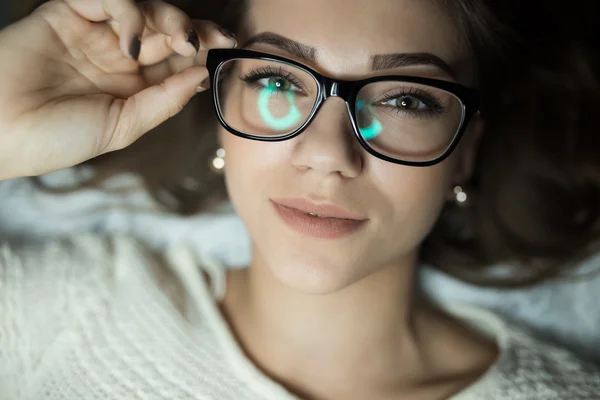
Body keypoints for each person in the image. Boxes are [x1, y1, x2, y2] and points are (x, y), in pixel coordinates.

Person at [0, 1, 599, 399]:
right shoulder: (62, 313)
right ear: (218, 114)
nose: (329, 154)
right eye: (278, 80)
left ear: (465, 150)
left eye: (406, 100)